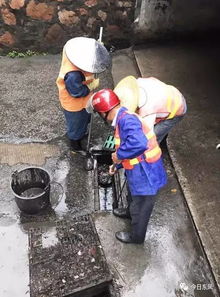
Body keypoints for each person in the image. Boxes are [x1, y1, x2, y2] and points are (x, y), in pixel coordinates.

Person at [90, 89, 167, 244]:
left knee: (142, 207)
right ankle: (129, 212)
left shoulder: (127, 121)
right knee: (133, 196)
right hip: (138, 170)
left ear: (104, 112)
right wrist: (117, 165)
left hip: (146, 173)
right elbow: (130, 149)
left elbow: (138, 144)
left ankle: (136, 237)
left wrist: (118, 156)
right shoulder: (123, 118)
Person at [56, 37, 111, 155]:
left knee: (85, 118)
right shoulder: (72, 75)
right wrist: (90, 87)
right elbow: (77, 92)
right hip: (74, 104)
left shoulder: (70, 50)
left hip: (84, 100)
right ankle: (75, 145)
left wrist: (96, 49)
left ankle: (81, 132)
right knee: (76, 124)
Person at [113, 75, 187, 143]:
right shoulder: (138, 83)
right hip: (172, 92)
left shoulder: (147, 110)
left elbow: (146, 134)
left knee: (154, 136)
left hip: (178, 108)